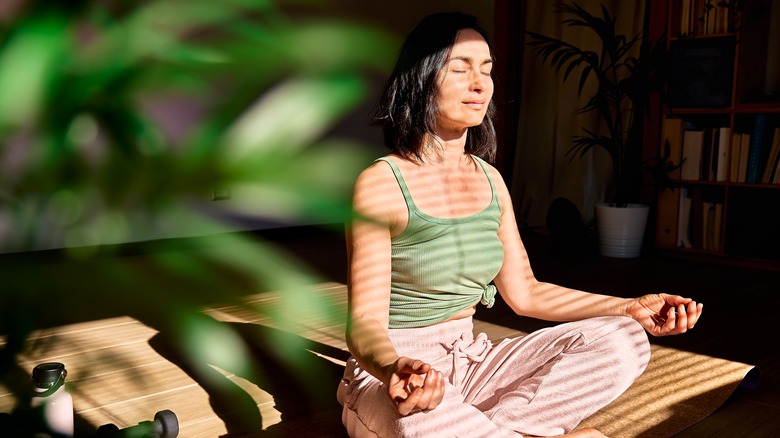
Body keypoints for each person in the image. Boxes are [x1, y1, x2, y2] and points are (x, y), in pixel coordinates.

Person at [336, 12, 703, 438]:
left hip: (474, 361)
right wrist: (392, 367)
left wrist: (628, 307)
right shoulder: (381, 183)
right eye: (459, 69)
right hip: (402, 378)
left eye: (486, 70)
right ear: (420, 79)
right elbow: (364, 321)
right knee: (419, 422)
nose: (480, 84)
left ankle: (494, 429)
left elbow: (525, 293)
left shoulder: (489, 180)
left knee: (625, 339)